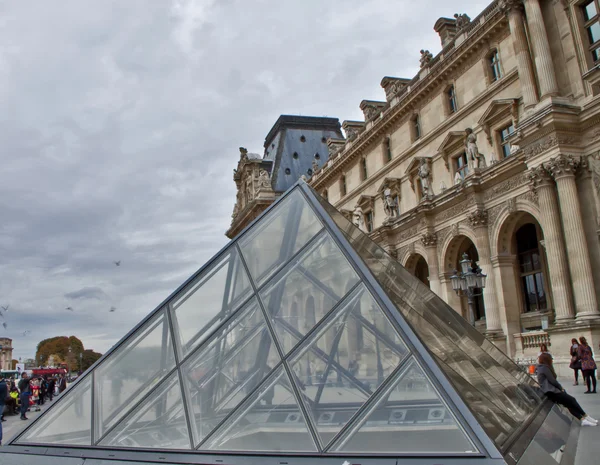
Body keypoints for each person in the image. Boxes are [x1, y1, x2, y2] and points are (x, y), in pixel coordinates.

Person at [537, 353, 597, 426]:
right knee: (572, 400)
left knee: (569, 404)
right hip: (552, 391)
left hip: (550, 391)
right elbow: (552, 380)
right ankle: (585, 416)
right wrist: (561, 388)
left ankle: (583, 419)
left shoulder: (541, 367)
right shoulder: (544, 368)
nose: (552, 360)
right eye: (551, 359)